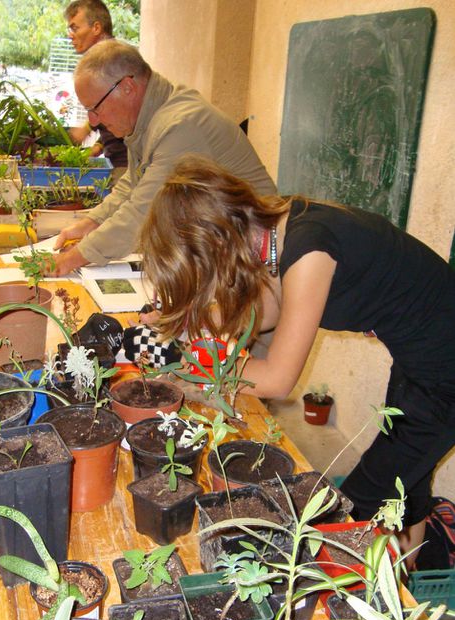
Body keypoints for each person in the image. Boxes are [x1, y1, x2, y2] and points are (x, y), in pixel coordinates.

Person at [139, 155, 455, 565]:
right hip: (420, 352)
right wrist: (186, 322)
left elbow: (277, 379)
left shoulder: (310, 251)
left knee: (352, 505)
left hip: (446, 372)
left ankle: (388, 582)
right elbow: (267, 312)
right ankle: (415, 558)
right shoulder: (273, 229)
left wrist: (199, 366)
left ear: (216, 244)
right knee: (405, 477)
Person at [52, 39, 276, 275]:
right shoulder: (147, 120)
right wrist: (92, 222)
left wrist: (71, 259)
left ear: (127, 87)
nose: (93, 121)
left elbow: (145, 212)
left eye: (95, 108)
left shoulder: (180, 125)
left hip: (258, 262)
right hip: (225, 250)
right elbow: (133, 184)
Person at [64, 0, 128, 182]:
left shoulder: (112, 59)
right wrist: (99, 145)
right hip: (118, 159)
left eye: (75, 28)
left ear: (96, 28)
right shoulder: (108, 58)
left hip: (127, 164)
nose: (71, 35)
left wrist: (85, 128)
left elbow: (118, 109)